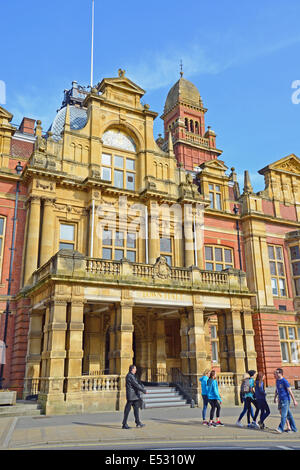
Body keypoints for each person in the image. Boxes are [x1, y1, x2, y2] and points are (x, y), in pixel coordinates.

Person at [122, 365, 147, 429]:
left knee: (136, 409)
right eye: (135, 369)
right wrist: (143, 390)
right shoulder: (130, 376)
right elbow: (136, 384)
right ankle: (124, 424)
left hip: (135, 396)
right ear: (132, 369)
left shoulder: (132, 375)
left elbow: (137, 383)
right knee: (127, 410)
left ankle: (138, 422)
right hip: (131, 396)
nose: (136, 370)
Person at [274, 368, 298, 434]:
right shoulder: (277, 381)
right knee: (289, 415)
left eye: (276, 373)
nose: (275, 374)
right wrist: (275, 397)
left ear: (280, 373)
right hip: (280, 400)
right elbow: (277, 390)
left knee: (283, 415)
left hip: (285, 400)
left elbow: (290, 391)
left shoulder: (285, 381)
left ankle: (280, 428)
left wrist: (294, 400)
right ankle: (294, 428)